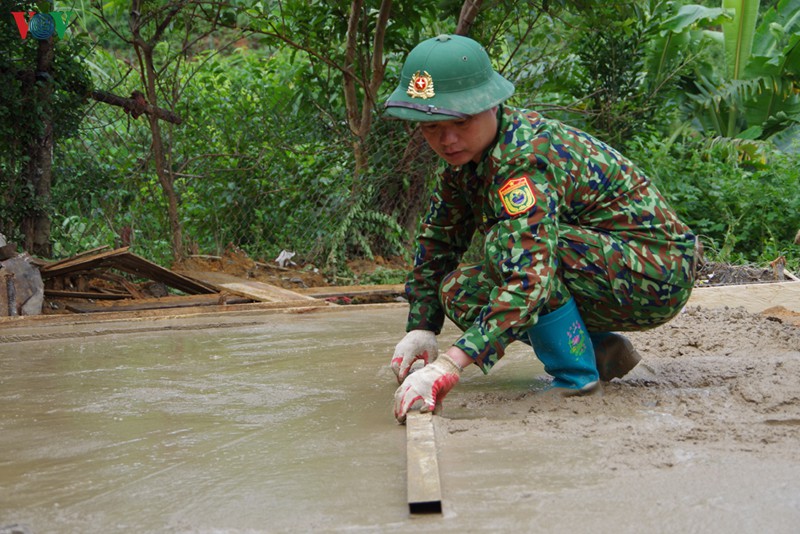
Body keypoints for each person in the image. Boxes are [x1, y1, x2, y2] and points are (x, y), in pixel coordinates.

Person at [383, 35, 699, 423]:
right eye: (432, 127)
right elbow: (439, 240)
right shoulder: (467, 161)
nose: (447, 140)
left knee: (508, 247)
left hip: (656, 268)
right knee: (459, 291)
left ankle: (576, 378)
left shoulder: (524, 158)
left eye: (460, 121)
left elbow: (529, 275)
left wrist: (449, 365)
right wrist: (422, 328)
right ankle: (597, 352)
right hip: (606, 263)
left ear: (491, 105)